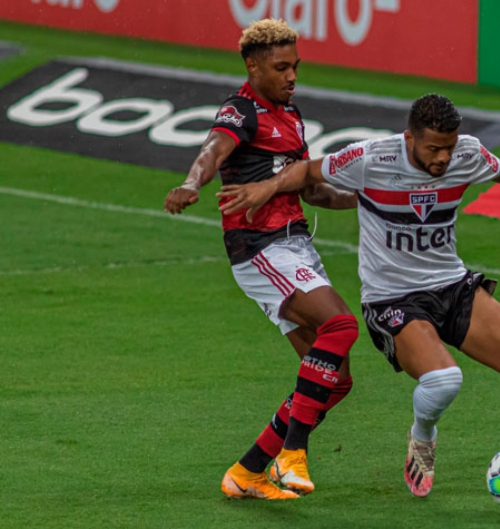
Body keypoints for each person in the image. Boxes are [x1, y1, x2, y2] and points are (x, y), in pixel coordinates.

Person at [216, 93, 500, 498]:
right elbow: (307, 171)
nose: (442, 157)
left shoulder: (466, 153)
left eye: (448, 147)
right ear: (410, 139)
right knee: (444, 381)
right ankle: (423, 436)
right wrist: (267, 188)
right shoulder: (372, 157)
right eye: (432, 149)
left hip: (452, 285)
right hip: (392, 300)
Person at [163, 19, 359, 501]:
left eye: (295, 66)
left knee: (335, 382)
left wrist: (367, 199)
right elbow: (213, 151)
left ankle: (247, 473)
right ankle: (291, 456)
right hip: (261, 248)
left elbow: (312, 190)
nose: (292, 76)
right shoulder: (241, 111)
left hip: (295, 248)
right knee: (341, 326)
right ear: (253, 67)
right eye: (281, 67)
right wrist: (192, 183)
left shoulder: (291, 115)